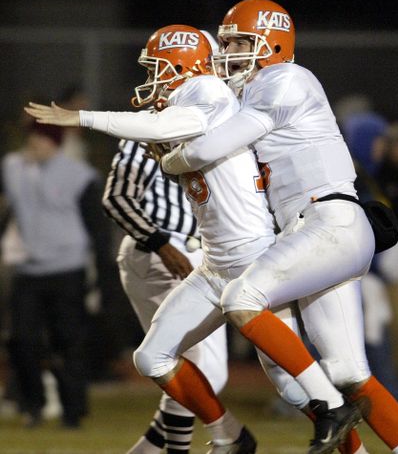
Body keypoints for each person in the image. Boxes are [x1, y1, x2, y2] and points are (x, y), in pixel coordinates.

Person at [25, 24, 363, 454]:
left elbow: (179, 123)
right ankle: (229, 435)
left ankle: (343, 424)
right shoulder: (185, 101)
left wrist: (86, 117)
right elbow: (162, 126)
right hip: (213, 263)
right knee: (151, 358)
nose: (151, 78)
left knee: (293, 388)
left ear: (181, 62)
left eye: (157, 67)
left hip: (253, 259)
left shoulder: (207, 92)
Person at [158, 0, 398, 453]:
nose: (228, 51)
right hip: (312, 229)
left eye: (238, 42)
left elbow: (210, 150)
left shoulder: (285, 77)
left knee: (242, 298)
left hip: (328, 221)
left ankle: (327, 406)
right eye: (225, 41)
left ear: (271, 43)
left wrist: (173, 158)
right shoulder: (252, 89)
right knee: (350, 372)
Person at [102, 137, 229, 454]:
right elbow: (117, 198)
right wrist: (160, 242)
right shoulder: (148, 130)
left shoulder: (212, 125)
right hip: (161, 250)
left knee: (212, 374)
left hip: (202, 253)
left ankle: (147, 449)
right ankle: (181, 449)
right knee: (190, 363)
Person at [0, 119, 112, 428]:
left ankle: (72, 412)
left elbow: (97, 228)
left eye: (42, 140)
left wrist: (102, 277)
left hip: (68, 268)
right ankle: (32, 405)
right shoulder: (12, 167)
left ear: (56, 143)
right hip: (28, 268)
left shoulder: (79, 175)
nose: (35, 145)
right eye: (32, 139)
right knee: (21, 339)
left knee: (69, 343)